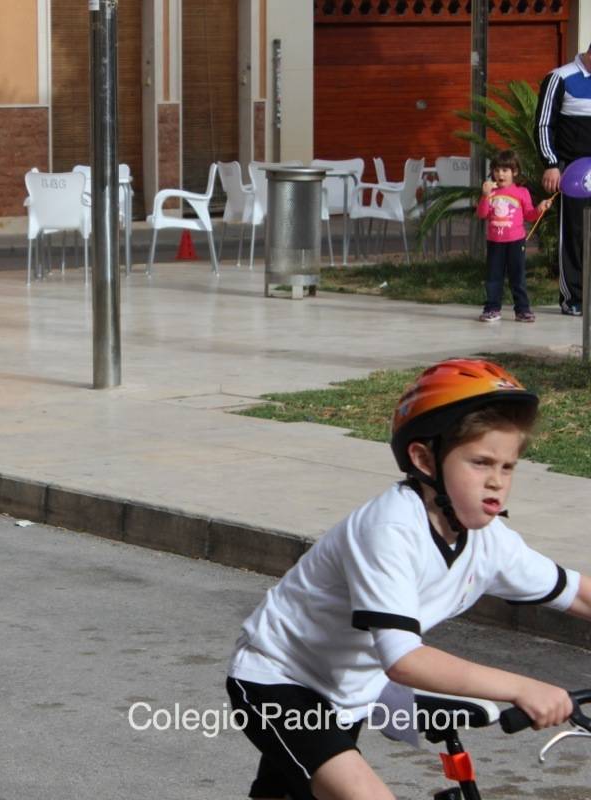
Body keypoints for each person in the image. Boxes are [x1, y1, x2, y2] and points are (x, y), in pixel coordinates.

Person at [225, 358, 591, 800]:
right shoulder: (390, 528)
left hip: (349, 690)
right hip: (279, 682)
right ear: (424, 459)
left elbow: (578, 595)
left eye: (508, 467)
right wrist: (522, 686)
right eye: (480, 463)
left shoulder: (488, 541)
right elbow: (405, 660)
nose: (497, 483)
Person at [536, 44, 591, 316]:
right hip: (574, 173)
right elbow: (545, 124)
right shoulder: (560, 78)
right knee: (575, 234)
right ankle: (574, 298)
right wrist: (551, 164)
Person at [476, 150, 551, 324]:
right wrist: (485, 196)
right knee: (494, 277)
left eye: (505, 170)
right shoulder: (491, 193)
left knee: (518, 276)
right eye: (496, 170)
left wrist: (540, 208)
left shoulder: (522, 192)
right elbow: (482, 214)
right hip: (495, 242)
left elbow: (530, 215)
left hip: (516, 242)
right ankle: (492, 308)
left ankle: (522, 310)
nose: (500, 174)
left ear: (514, 172)